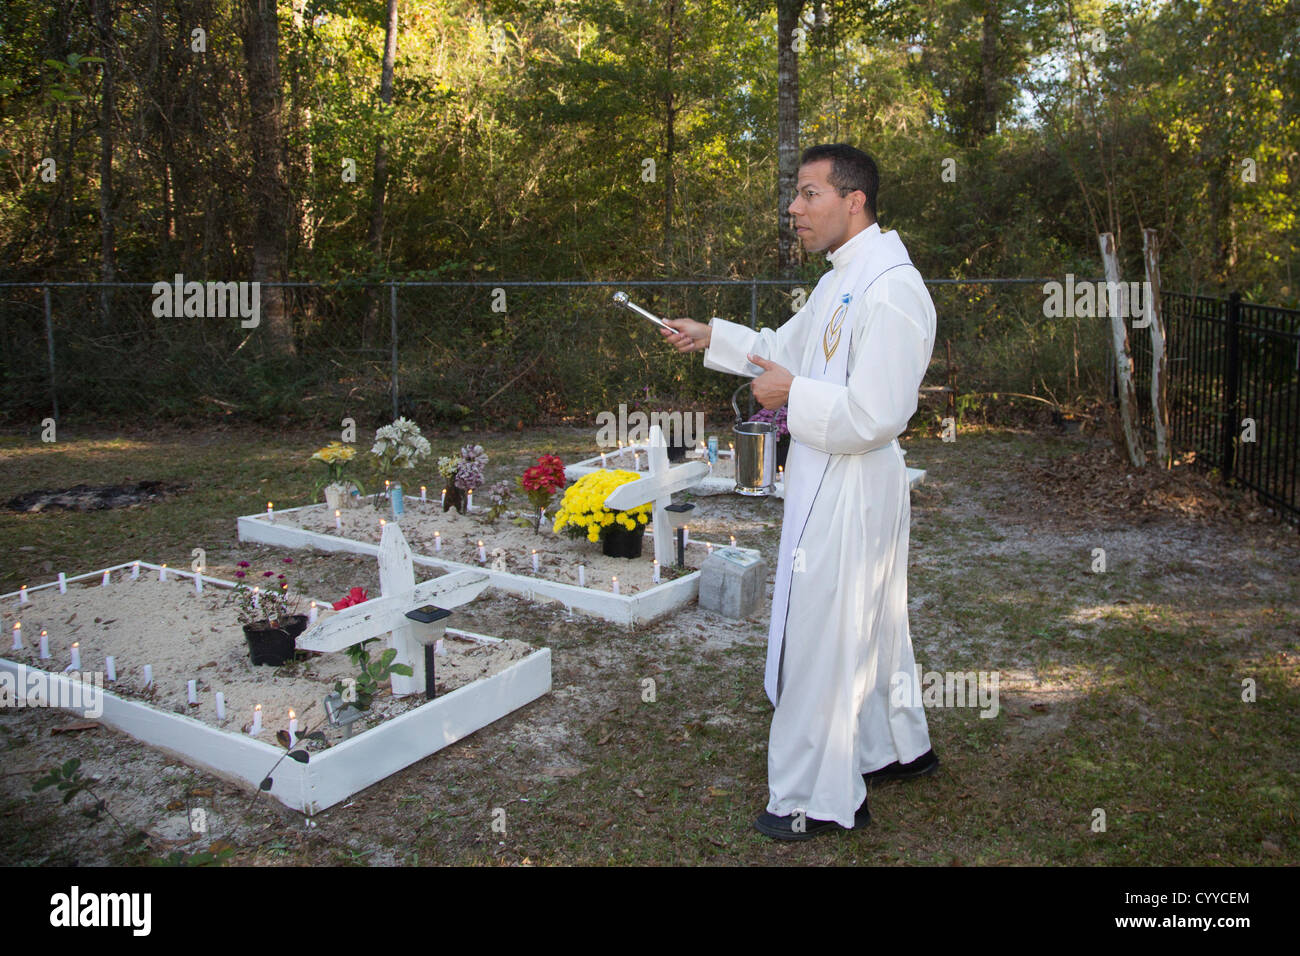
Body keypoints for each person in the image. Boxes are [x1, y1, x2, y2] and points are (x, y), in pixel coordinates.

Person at [660, 143, 939, 841]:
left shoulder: (891, 287)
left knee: (823, 629)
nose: (794, 208)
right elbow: (786, 348)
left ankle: (815, 796)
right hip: (829, 473)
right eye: (795, 194)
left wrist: (795, 395)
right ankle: (892, 745)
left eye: (809, 194)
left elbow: (878, 413)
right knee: (870, 623)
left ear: (855, 201)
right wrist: (710, 337)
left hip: (853, 480)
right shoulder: (840, 279)